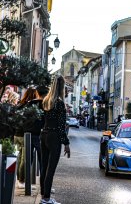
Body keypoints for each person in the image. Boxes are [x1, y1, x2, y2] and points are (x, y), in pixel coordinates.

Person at [40, 76, 70, 204]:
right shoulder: (59, 103)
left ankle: (44, 195)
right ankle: (46, 199)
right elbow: (61, 126)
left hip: (44, 134)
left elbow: (43, 120)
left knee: (44, 166)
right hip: (54, 138)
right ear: (62, 88)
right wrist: (66, 143)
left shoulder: (46, 101)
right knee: (50, 169)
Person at [14, 87, 38, 189]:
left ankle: (18, 179)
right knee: (25, 159)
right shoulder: (30, 106)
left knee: (18, 158)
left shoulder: (19, 104)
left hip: (16, 134)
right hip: (24, 135)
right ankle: (21, 181)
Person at [25, 86, 49, 176]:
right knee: (43, 160)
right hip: (40, 134)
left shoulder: (30, 103)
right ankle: (44, 186)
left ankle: (27, 181)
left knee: (28, 160)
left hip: (28, 133)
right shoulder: (46, 105)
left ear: (37, 93)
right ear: (47, 94)